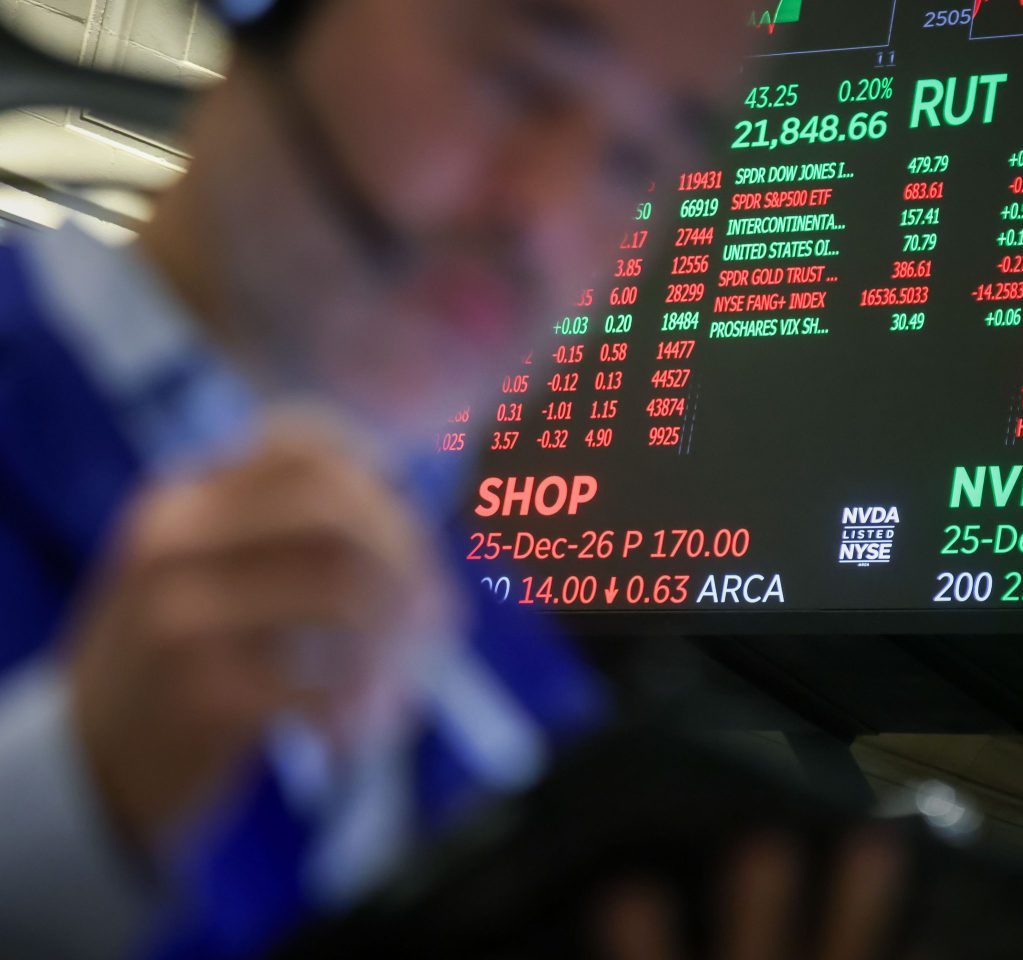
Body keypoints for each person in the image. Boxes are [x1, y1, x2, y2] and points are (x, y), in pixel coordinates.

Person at [0, 0, 760, 956]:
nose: (543, 213)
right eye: (519, 78)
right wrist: (71, 806)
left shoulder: (538, 722)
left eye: (634, 162)